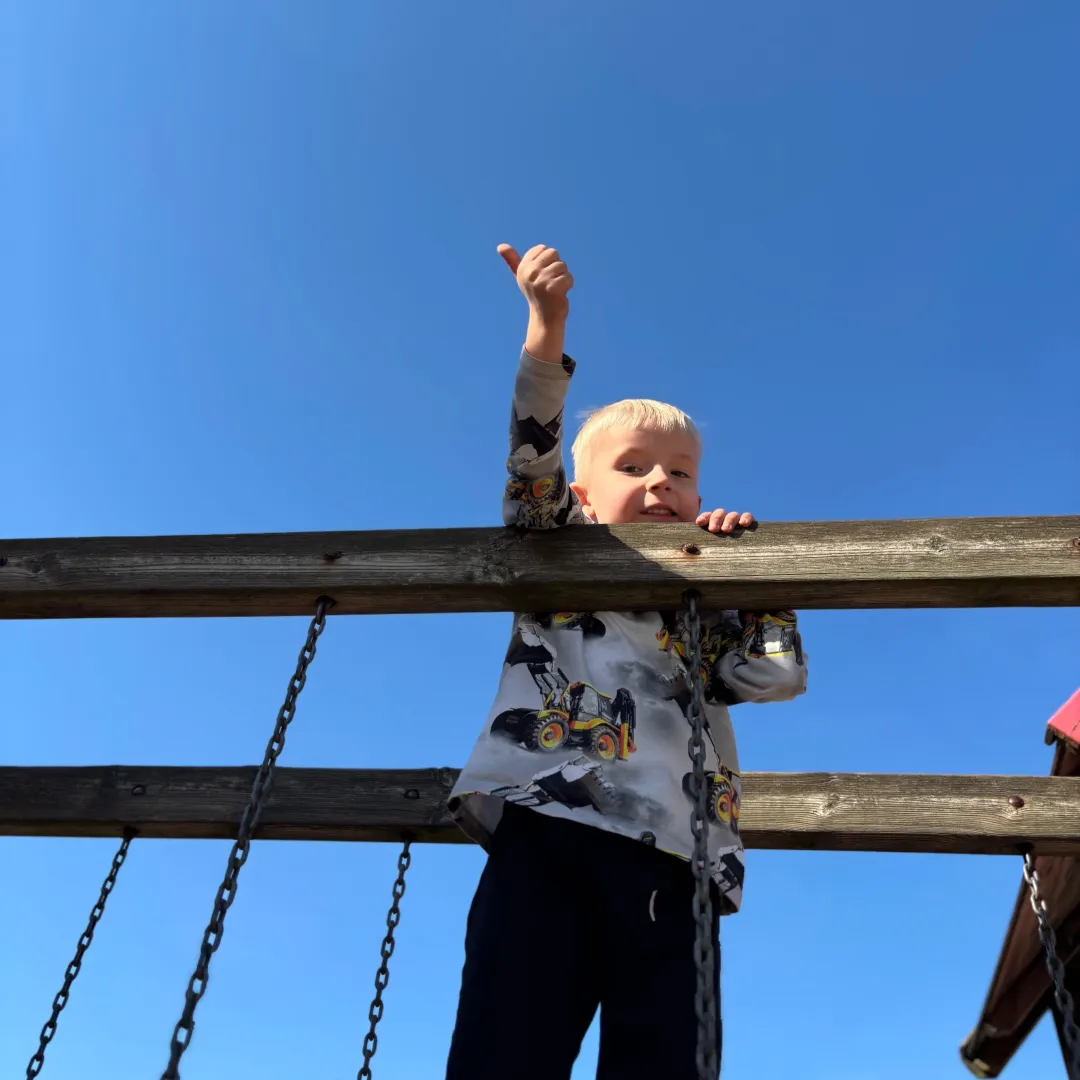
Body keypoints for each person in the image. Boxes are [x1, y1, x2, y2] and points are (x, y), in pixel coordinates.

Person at [445, 243, 808, 1079]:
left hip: (678, 855)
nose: (660, 483)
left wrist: (752, 582)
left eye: (681, 473)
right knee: (507, 1045)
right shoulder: (553, 550)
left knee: (663, 1059)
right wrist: (546, 335)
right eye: (633, 466)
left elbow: (775, 676)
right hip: (549, 828)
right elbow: (528, 477)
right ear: (582, 495)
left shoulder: (700, 607)